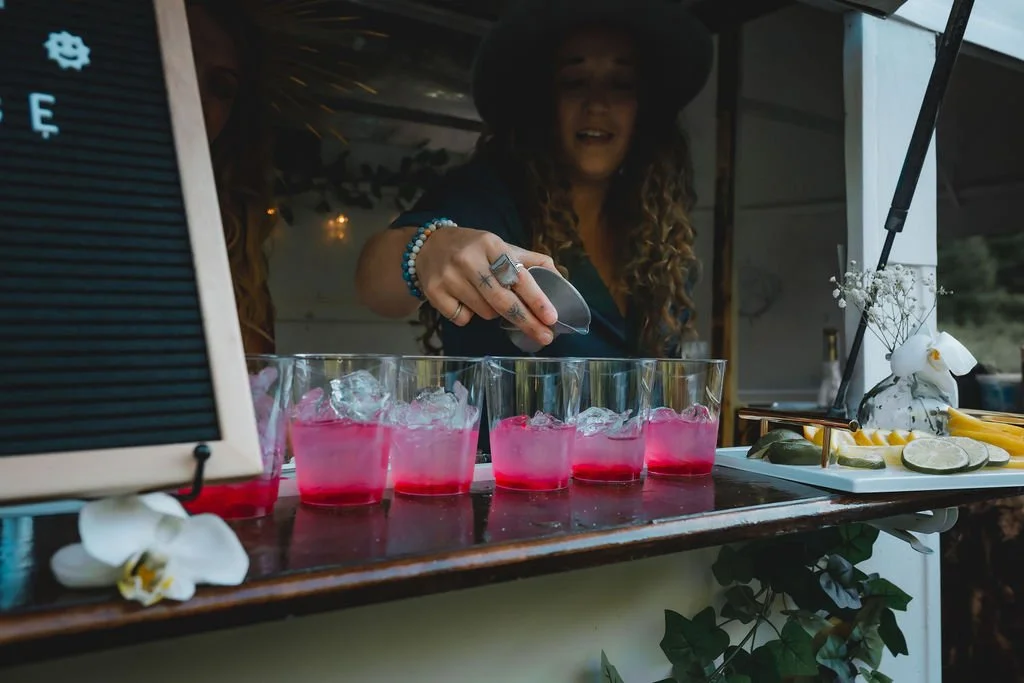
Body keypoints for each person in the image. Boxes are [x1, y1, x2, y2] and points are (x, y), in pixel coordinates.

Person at [355, 0, 712, 359]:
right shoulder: (489, 197)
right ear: (543, 99)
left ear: (643, 108)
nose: (597, 104)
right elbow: (375, 285)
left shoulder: (658, 232)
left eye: (620, 84)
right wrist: (429, 250)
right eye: (575, 82)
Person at [186, 0, 278, 354]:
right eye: (173, 61)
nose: (191, 96)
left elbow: (257, 381)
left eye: (221, 86)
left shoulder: (232, 239)